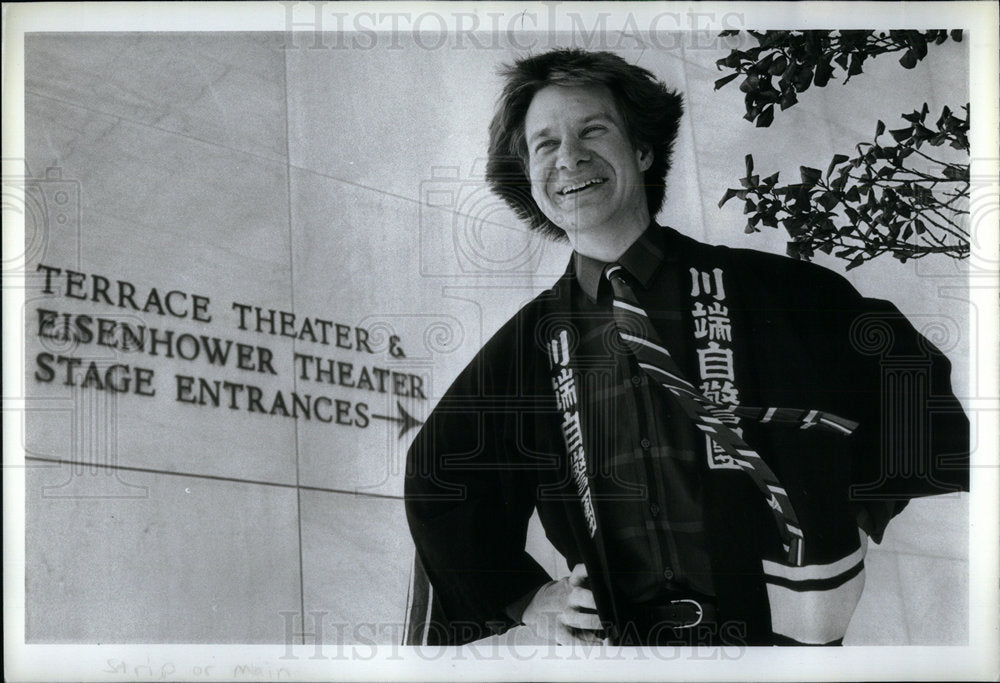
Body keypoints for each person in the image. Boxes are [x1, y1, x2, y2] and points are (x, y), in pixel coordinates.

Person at [404, 48, 969, 647]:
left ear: (642, 150)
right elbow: (440, 474)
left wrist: (838, 503)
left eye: (594, 129)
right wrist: (526, 598)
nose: (570, 155)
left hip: (775, 643)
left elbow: (907, 376)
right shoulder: (534, 342)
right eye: (544, 144)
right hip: (625, 653)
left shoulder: (772, 292)